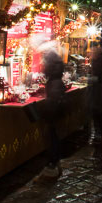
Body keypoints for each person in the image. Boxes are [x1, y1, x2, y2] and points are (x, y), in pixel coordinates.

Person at [39, 42, 66, 179]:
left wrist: (46, 111)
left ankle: (52, 165)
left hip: (52, 111)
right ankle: (55, 162)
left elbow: (52, 103)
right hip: (56, 109)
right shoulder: (57, 78)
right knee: (53, 134)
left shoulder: (54, 82)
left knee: (51, 134)